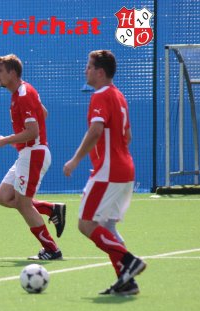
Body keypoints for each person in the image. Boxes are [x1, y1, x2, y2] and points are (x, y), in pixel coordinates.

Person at [63, 50, 146, 295]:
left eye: (88, 67)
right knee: (107, 228)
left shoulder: (100, 96)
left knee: (86, 224)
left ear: (100, 72)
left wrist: (76, 160)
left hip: (109, 171)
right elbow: (127, 136)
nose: (85, 71)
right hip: (124, 169)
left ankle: (128, 261)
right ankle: (126, 281)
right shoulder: (119, 96)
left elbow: (96, 131)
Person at [0, 54, 66, 260]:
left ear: (12, 73)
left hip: (34, 153)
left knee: (23, 204)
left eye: (0, 71)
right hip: (28, 153)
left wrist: (5, 140)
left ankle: (51, 249)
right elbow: (44, 114)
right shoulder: (21, 93)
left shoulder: (23, 94)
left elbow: (33, 131)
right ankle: (51, 209)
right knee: (3, 197)